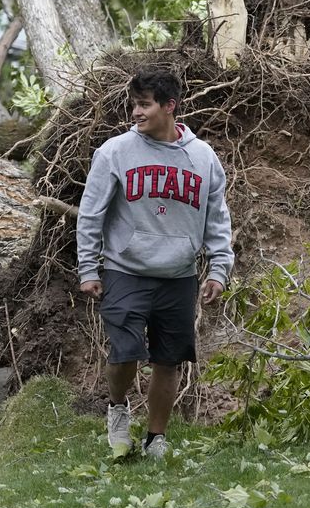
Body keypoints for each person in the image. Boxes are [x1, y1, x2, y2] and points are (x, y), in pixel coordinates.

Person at [77, 67, 234, 459]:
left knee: (169, 359)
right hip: (125, 269)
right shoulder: (115, 152)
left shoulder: (203, 157)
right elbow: (91, 213)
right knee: (125, 351)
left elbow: (217, 217)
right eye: (134, 105)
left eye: (144, 105)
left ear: (170, 107)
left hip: (178, 275)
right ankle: (117, 409)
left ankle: (155, 439)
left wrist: (218, 267)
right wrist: (88, 268)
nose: (136, 112)